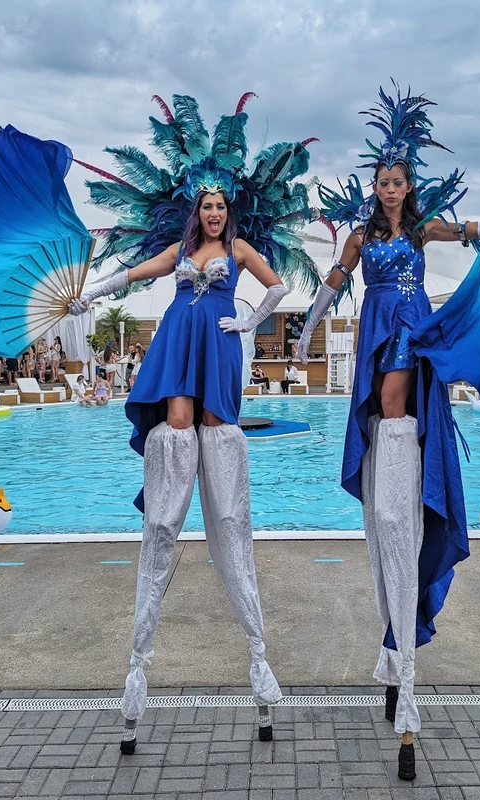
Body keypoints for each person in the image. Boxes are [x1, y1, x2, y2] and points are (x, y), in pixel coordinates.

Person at [297, 86, 480, 782]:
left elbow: (477, 229)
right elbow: (333, 283)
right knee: (386, 408)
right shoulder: (361, 239)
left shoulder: (422, 233)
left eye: (398, 180)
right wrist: (306, 328)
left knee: (407, 404)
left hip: (415, 329)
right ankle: (396, 656)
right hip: (379, 327)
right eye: (382, 181)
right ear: (374, 186)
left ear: (409, 185)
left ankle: (400, 660)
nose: (390, 189)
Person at [70, 181, 288, 754]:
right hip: (177, 336)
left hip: (218, 342)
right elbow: (135, 274)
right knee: (177, 423)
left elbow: (278, 286)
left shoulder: (238, 249)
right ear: (198, 213)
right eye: (206, 207)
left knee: (216, 429)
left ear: (228, 213)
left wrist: (249, 323)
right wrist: (93, 293)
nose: (214, 213)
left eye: (220, 207)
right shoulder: (181, 251)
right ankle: (138, 660)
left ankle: (258, 658)